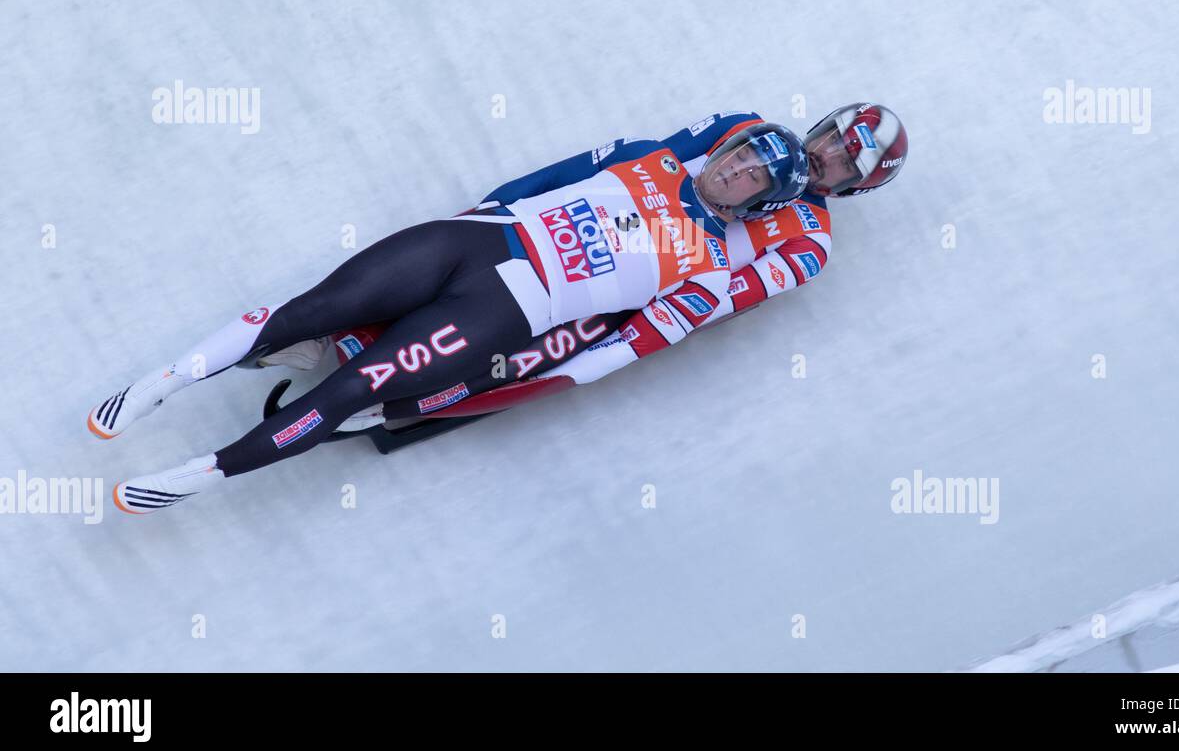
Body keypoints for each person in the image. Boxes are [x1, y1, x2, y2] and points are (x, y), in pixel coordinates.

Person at [94, 112, 809, 513]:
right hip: (479, 240)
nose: (734, 167)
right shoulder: (652, 157)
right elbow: (550, 176)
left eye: (751, 175)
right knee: (316, 307)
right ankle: (161, 381)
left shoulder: (710, 268)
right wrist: (477, 214)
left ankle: (199, 475)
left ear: (758, 202)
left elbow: (631, 345)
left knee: (354, 389)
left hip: (512, 308)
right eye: (739, 152)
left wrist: (542, 381)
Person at [265, 102, 910, 431]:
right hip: (606, 225)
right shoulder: (746, 128)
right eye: (831, 136)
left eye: (845, 161)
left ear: (856, 185)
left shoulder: (811, 243)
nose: (826, 154)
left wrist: (651, 314)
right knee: (471, 255)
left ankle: (397, 399)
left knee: (528, 341)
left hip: (647, 287)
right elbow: (650, 160)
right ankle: (327, 330)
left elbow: (726, 300)